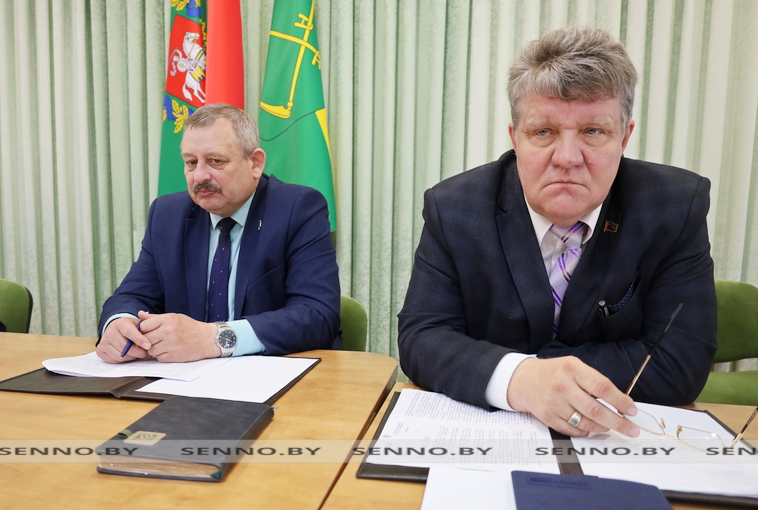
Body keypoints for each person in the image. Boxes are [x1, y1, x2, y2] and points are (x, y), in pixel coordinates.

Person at [397, 26, 717, 438]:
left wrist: (540, 374)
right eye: (544, 132)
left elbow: (680, 362)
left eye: (593, 131)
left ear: (624, 138)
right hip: (490, 437)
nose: (567, 158)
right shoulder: (455, 207)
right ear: (516, 139)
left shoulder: (675, 206)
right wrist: (520, 380)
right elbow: (422, 338)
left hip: (617, 442)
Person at [97, 103, 340, 363]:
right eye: (191, 163)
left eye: (216, 161)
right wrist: (119, 323)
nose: (200, 176)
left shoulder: (298, 209)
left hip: (274, 373)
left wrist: (214, 338)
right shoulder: (167, 214)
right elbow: (132, 296)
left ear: (255, 163)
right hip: (184, 378)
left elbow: (317, 315)